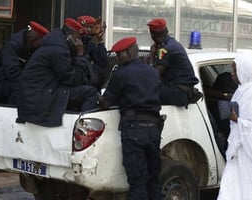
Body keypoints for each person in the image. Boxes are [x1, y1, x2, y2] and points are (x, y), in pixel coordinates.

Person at [99, 37, 163, 200]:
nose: (117, 58)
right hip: (154, 130)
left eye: (120, 55)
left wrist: (98, 98)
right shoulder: (153, 72)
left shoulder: (122, 74)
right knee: (153, 180)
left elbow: (106, 102)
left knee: (138, 183)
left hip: (134, 131)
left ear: (130, 53)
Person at [16, 18, 99, 128]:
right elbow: (72, 79)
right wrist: (80, 55)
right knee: (90, 93)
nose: (80, 43)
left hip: (42, 90)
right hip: (40, 95)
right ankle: (84, 129)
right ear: (70, 37)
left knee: (87, 90)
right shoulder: (59, 50)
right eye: (78, 39)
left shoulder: (57, 44)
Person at [217, 54, 252, 200]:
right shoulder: (241, 91)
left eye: (235, 70)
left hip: (251, 155)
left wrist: (238, 120)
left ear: (246, 72)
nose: (232, 74)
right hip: (238, 152)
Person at [0, 21, 49, 104]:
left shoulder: (31, 48)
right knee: (21, 89)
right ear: (33, 39)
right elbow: (12, 73)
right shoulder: (13, 45)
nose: (40, 45)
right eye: (40, 42)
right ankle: (13, 113)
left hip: (9, 81)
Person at [147, 18, 201, 107]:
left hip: (178, 93)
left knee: (141, 91)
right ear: (167, 30)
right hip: (182, 91)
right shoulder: (172, 43)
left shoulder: (165, 49)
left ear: (152, 35)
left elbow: (154, 75)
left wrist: (152, 57)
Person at [77, 15, 110, 91]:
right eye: (86, 27)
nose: (87, 30)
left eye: (90, 27)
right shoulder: (73, 43)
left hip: (90, 85)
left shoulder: (90, 44)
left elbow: (103, 62)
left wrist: (99, 38)